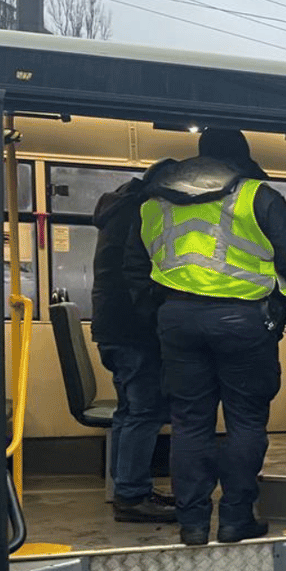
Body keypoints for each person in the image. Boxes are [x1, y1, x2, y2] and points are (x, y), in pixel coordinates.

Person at [125, 129, 286, 546]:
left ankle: (192, 524)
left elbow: (134, 270)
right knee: (245, 421)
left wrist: (161, 313)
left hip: (177, 320)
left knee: (189, 423)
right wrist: (283, 294)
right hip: (244, 320)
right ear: (242, 159)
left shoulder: (153, 201)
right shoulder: (256, 195)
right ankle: (235, 519)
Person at [91, 159, 177, 523]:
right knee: (145, 411)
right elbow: (138, 277)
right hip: (133, 328)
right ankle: (131, 495)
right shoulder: (143, 214)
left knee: (128, 411)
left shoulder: (118, 207)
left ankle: (128, 487)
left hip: (111, 325)